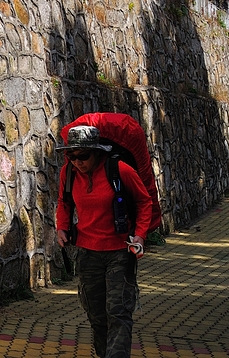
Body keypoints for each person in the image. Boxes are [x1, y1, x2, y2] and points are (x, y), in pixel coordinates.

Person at [55, 125, 153, 358]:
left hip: (119, 250)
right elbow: (64, 202)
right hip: (87, 253)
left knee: (118, 312)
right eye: (71, 155)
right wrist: (62, 227)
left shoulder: (119, 169)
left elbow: (144, 202)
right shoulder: (68, 173)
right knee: (96, 313)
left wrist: (139, 235)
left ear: (97, 152)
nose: (77, 161)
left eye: (83, 156)